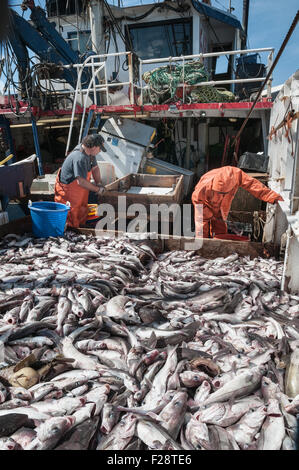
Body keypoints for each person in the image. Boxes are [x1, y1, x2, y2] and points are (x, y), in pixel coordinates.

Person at [192, 165, 283, 239]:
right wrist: (208, 214)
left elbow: (253, 184)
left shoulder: (236, 174)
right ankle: (201, 249)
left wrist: (271, 196)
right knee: (201, 229)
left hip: (223, 205)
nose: (220, 195)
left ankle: (218, 246)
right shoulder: (205, 185)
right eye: (219, 192)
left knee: (220, 225)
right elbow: (196, 200)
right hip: (205, 205)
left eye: (224, 193)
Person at [54, 134, 107, 228]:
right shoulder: (80, 157)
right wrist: (97, 190)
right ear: (94, 147)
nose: (100, 151)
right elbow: (81, 182)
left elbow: (95, 168)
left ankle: (79, 230)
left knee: (81, 213)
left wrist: (98, 183)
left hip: (80, 192)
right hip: (69, 193)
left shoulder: (90, 153)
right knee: (70, 218)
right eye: (100, 149)